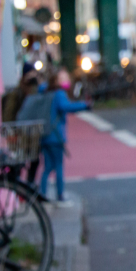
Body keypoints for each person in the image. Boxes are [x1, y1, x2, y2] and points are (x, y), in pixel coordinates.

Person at [36, 69, 91, 205]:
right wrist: (85, 105)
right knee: (59, 165)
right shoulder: (59, 94)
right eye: (63, 78)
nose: (66, 80)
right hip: (55, 135)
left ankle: (42, 193)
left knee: (47, 166)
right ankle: (60, 194)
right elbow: (66, 107)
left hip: (44, 134)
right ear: (56, 81)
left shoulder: (45, 92)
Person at [3, 71, 42, 183]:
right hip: (18, 136)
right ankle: (17, 188)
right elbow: (8, 115)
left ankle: (27, 186)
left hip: (30, 136)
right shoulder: (16, 95)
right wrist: (11, 133)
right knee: (17, 164)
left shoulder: (33, 96)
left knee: (33, 161)